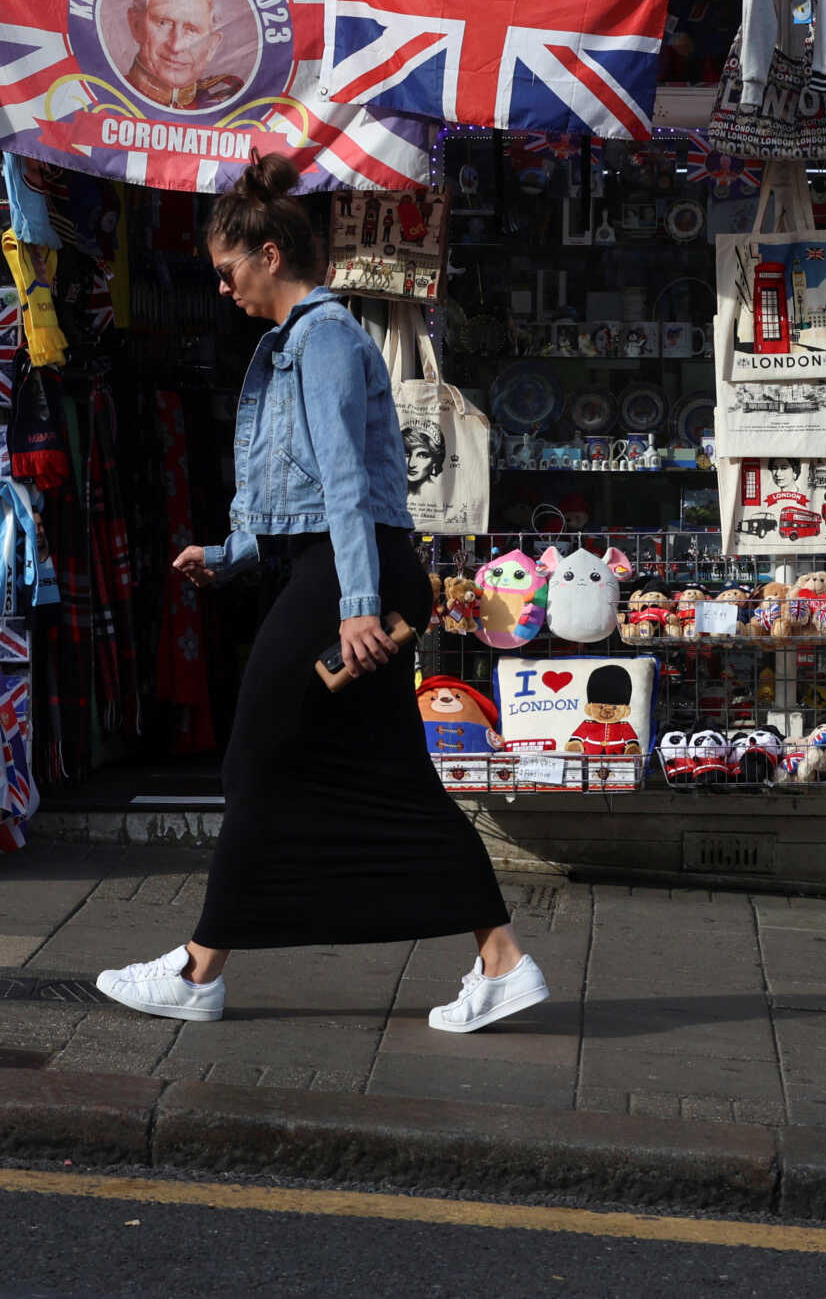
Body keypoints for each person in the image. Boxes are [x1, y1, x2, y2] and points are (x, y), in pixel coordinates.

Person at [96, 155, 544, 1032]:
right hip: (337, 568)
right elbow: (292, 492)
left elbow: (346, 483)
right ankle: (502, 958)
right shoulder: (294, 343)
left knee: (256, 752)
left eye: (227, 272)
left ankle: (198, 970)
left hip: (350, 574)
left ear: (268, 254)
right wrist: (227, 554)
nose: (222, 291)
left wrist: (356, 604)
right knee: (389, 773)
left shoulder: (327, 337)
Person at [120, 0, 248, 109]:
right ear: (135, 25)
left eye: (191, 29)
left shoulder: (230, 110)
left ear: (212, 45)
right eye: (163, 23)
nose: (176, 45)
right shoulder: (103, 98)